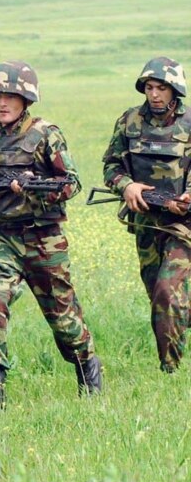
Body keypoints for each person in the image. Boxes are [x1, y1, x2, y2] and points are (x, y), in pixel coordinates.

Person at [0, 60, 102, 408]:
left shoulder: (46, 135)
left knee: (63, 318)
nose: (2, 103)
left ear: (26, 100)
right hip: (3, 237)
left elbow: (71, 184)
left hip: (44, 238)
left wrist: (34, 188)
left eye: (11, 96)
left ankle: (88, 367)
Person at [102, 56, 190, 374]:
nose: (154, 94)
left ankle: (170, 370)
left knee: (168, 291)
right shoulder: (129, 121)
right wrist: (126, 186)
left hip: (183, 225)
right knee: (158, 296)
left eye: (161, 88)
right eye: (149, 87)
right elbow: (111, 165)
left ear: (174, 90)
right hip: (146, 224)